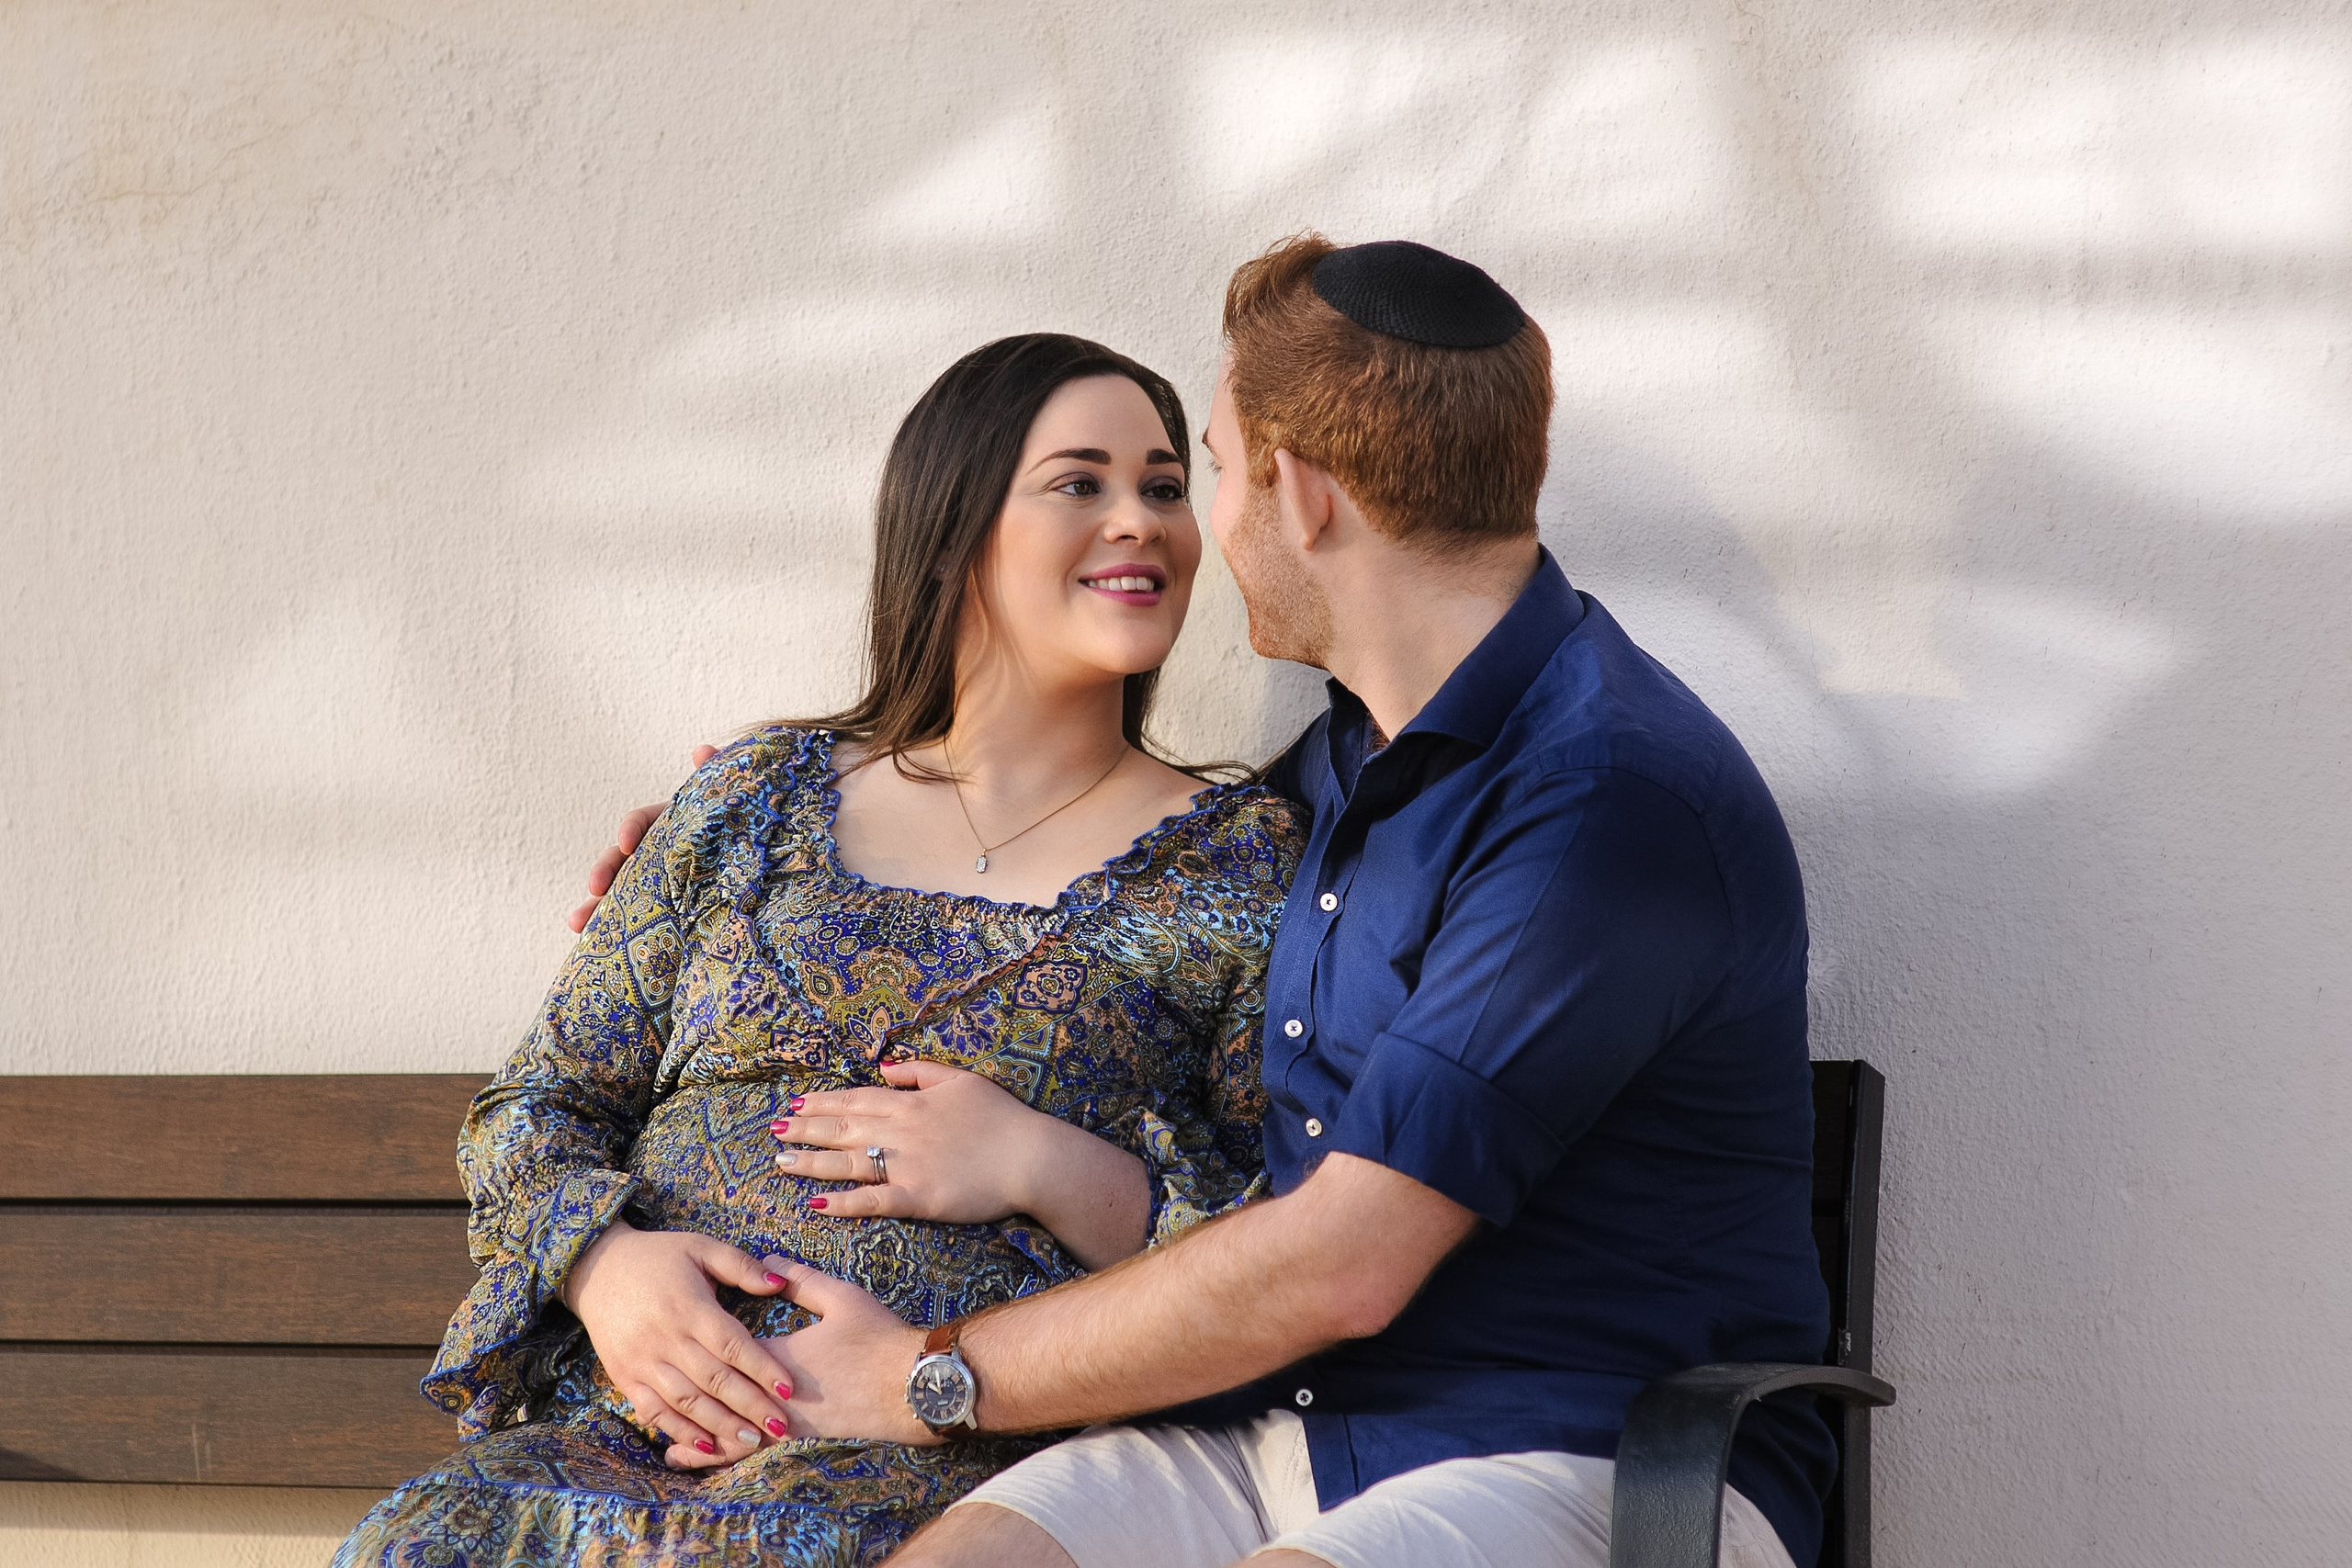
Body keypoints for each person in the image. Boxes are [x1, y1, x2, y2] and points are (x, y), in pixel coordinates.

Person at [582, 237, 1838, 1568]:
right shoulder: (1346, 771)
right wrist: (722, 845)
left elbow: (1343, 1260)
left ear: (1300, 495)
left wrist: (920, 1379)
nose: (1202, 524)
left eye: (1214, 472)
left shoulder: (1602, 802)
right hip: (1279, 1433)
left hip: (1585, 1456)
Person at [332, 333, 1307, 1567]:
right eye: (1083, 483)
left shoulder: (1241, 865)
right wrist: (606, 1271)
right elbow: (539, 1105)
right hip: (633, 1438)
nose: (1144, 522)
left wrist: (1039, 1163)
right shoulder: (751, 798)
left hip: (958, 1471)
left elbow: (1269, 1259)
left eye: (1165, 486)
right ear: (956, 533)